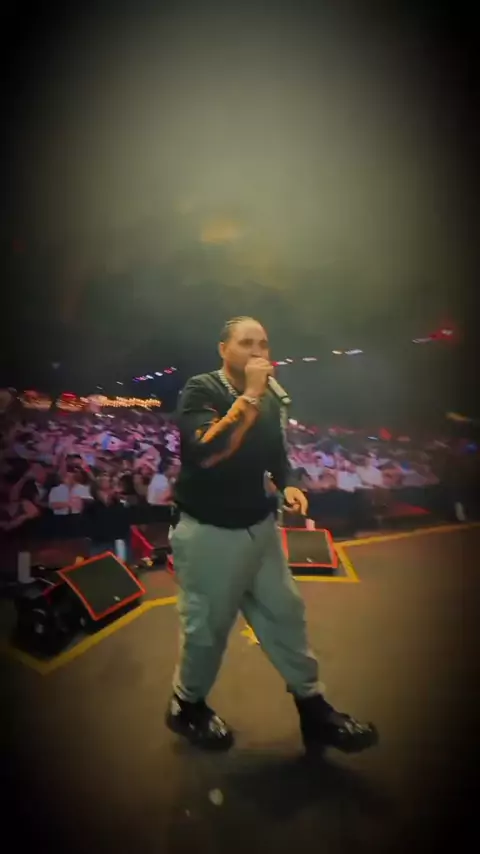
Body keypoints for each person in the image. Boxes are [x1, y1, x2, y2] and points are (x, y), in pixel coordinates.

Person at [166, 316, 378, 755]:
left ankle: (314, 708)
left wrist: (289, 484)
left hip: (260, 528)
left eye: (263, 344)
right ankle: (186, 705)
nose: (258, 352)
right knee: (207, 630)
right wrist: (248, 397)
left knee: (286, 614)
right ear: (223, 349)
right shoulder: (201, 389)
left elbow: (276, 454)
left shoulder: (271, 399)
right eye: (247, 343)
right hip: (209, 532)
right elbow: (205, 453)